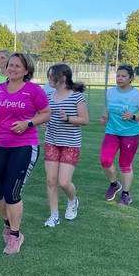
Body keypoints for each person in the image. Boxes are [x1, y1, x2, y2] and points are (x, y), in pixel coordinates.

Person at [0, 52, 50, 254]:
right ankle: (7, 222)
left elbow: (46, 113)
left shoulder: (33, 91)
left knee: (12, 193)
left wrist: (28, 123)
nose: (12, 69)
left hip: (24, 146)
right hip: (0, 144)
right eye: (10, 65)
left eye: (17, 66)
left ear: (26, 70)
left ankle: (15, 235)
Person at [42, 64, 89, 227]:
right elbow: (45, 116)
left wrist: (69, 118)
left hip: (70, 144)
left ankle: (72, 200)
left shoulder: (76, 97)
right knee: (51, 180)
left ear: (62, 78)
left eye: (51, 76)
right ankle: (53, 215)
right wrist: (43, 122)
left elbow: (84, 120)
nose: (49, 80)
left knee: (63, 181)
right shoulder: (48, 96)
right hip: (52, 142)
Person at [100, 64, 139, 206]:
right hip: (112, 132)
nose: (120, 78)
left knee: (125, 165)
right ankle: (114, 184)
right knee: (105, 160)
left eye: (123, 76)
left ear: (131, 79)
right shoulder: (110, 92)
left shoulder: (137, 95)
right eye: (118, 76)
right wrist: (105, 116)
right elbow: (108, 107)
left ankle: (126, 194)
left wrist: (133, 116)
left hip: (130, 134)